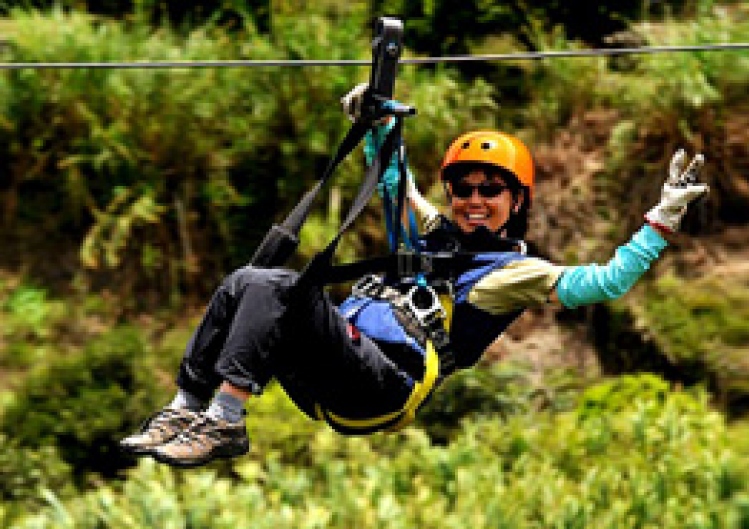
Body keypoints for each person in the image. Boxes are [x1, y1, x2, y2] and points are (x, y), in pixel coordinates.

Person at [120, 84, 708, 468]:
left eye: (491, 190)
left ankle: (225, 421)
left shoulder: (515, 273)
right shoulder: (433, 233)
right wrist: (375, 118)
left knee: (272, 286)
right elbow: (395, 182)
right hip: (337, 369)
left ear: (517, 201)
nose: (474, 200)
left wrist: (661, 221)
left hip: (383, 384)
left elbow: (604, 282)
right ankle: (187, 406)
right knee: (246, 279)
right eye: (464, 188)